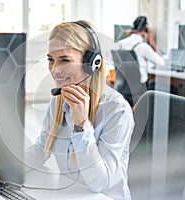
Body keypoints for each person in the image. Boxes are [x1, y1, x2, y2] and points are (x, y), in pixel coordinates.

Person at [24, 20, 134, 200]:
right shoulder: (59, 101)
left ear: (92, 63)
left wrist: (81, 126)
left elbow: (99, 183)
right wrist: (1, 169)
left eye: (65, 60)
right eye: (51, 60)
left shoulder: (117, 110)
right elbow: (41, 149)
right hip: (70, 194)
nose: (54, 69)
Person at [117, 16, 164, 85]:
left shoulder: (120, 43)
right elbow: (161, 62)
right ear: (145, 30)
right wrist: (152, 42)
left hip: (124, 85)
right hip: (140, 87)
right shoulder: (144, 47)